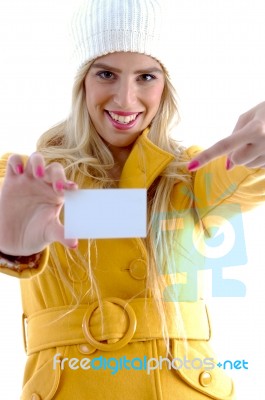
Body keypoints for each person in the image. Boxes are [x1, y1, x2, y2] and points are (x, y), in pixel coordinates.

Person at [0, 0, 265, 399]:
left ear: (166, 84)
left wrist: (256, 155)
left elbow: (242, 176)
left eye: (146, 76)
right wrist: (7, 246)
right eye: (106, 74)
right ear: (81, 82)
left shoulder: (191, 178)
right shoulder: (22, 178)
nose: (125, 99)